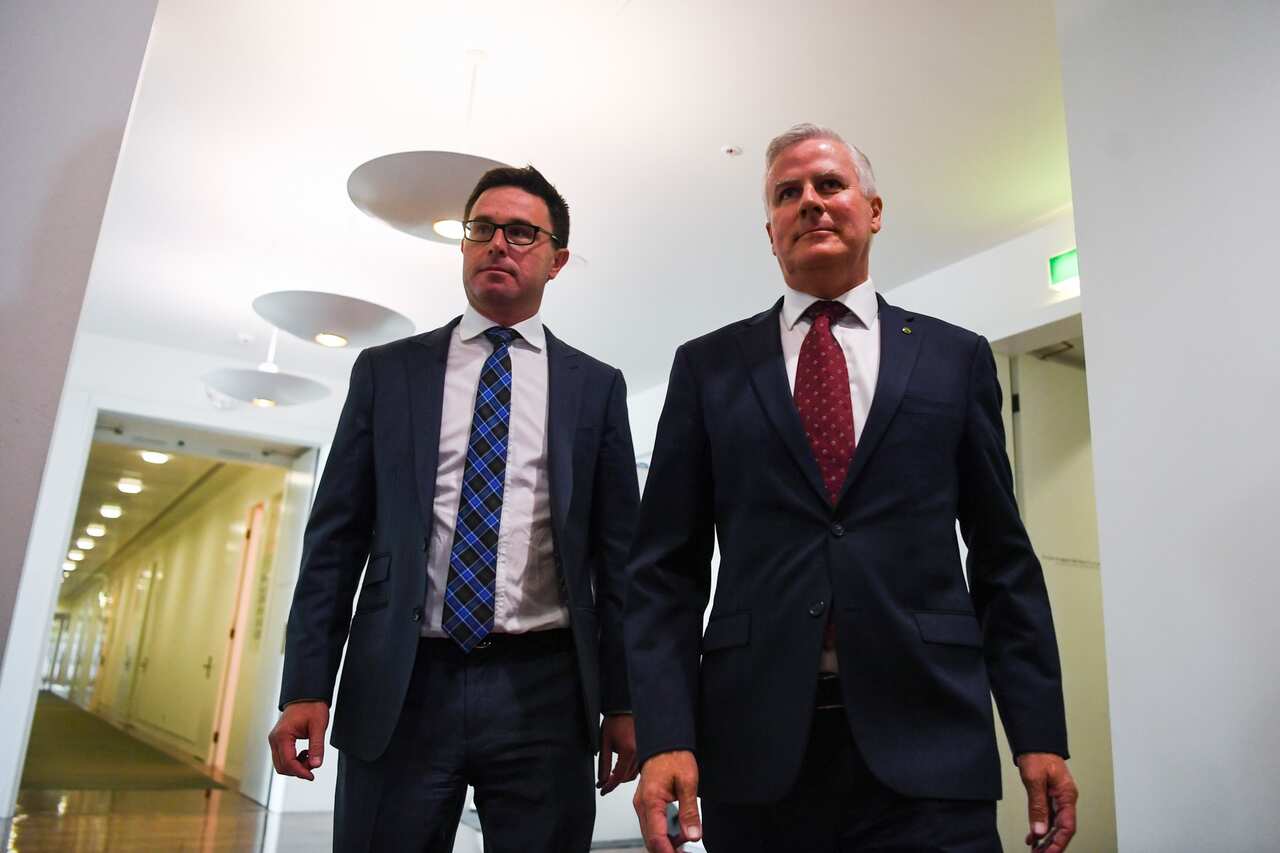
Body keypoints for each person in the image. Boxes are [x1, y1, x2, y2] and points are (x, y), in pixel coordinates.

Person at [625, 124, 1079, 853]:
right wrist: (665, 735)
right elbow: (663, 572)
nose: (810, 202)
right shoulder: (708, 367)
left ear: (872, 209)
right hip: (757, 752)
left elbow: (1001, 558)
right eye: (786, 193)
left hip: (931, 743)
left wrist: (1038, 731)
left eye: (829, 184)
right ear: (769, 232)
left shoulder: (953, 359)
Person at [268, 165, 640, 852]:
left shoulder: (597, 388)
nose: (498, 243)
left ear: (556, 260)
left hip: (546, 689)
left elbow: (619, 567)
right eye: (482, 229)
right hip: (403, 681)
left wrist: (625, 701)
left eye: (521, 232)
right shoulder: (387, 373)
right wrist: (305, 684)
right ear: (464, 245)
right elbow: (335, 542)